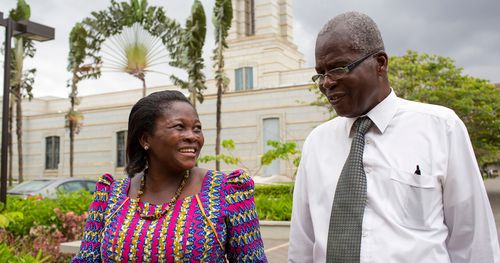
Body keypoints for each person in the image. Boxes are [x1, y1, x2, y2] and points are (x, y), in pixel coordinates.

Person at [288, 11, 499, 263]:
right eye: (320, 73)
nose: (326, 83)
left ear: (380, 63)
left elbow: (474, 241)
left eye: (338, 68)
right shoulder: (317, 143)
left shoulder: (441, 128)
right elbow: (303, 245)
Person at [73, 90, 267, 262]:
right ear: (146, 139)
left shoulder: (227, 191)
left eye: (197, 128)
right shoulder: (112, 195)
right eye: (179, 127)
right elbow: (87, 259)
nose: (193, 136)